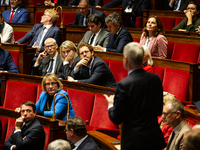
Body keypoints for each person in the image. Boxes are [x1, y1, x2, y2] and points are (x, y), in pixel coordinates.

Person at [104, 42, 165, 150]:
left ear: (126, 59)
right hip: (154, 140)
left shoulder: (124, 85)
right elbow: (159, 111)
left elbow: (116, 118)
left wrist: (110, 105)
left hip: (134, 143)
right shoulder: (155, 79)